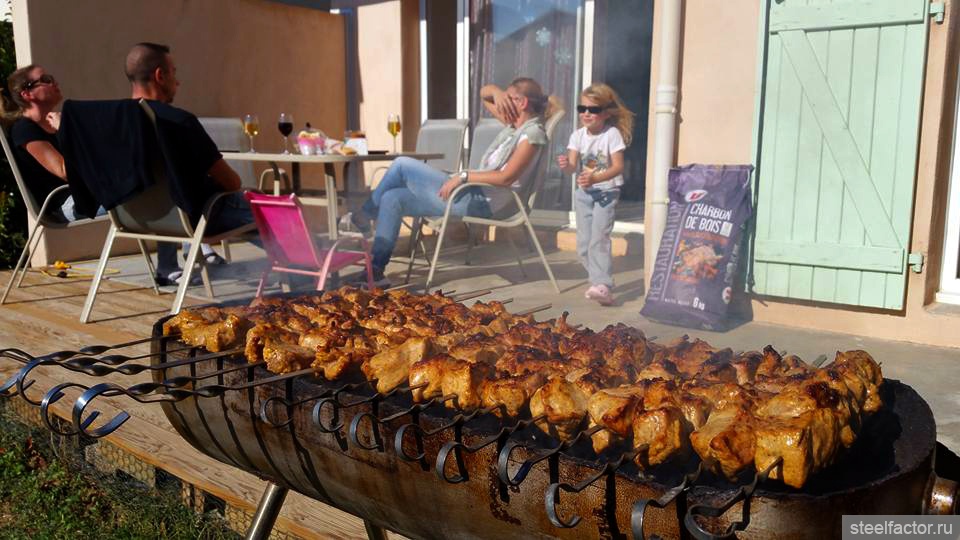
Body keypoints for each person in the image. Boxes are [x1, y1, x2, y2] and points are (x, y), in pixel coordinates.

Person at [347, 77, 553, 286]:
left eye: (508, 99)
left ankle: (364, 215)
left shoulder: (532, 134)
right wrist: (497, 91)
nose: (501, 104)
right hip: (473, 194)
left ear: (522, 102)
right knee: (392, 198)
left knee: (401, 164)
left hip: (482, 202)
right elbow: (485, 96)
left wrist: (463, 176)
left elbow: (506, 177)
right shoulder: (514, 127)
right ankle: (376, 271)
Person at [124, 42, 255, 286]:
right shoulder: (178, 122)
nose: (178, 81)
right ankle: (304, 269)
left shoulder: (116, 121)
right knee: (267, 211)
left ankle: (167, 266)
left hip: (135, 217)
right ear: (160, 76)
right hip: (196, 217)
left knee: (167, 191)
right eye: (174, 73)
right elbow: (231, 182)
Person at [557, 82, 634, 306]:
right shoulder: (577, 136)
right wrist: (566, 165)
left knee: (599, 239)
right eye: (582, 109)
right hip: (584, 194)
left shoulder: (612, 135)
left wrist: (595, 179)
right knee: (583, 244)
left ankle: (602, 284)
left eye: (594, 109)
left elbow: (618, 167)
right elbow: (573, 167)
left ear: (606, 112)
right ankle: (598, 283)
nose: (587, 114)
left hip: (606, 194)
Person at [0, 65, 105, 222]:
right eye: (46, 80)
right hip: (67, 201)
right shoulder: (24, 130)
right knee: (135, 197)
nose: (54, 83)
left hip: (88, 191)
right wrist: (64, 131)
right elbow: (64, 171)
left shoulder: (54, 122)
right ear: (27, 93)